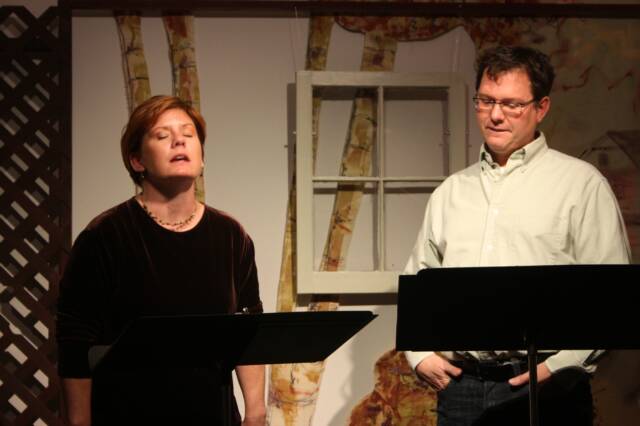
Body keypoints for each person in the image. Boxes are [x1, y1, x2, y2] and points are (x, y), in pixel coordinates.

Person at [404, 46, 631, 426]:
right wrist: (418, 354)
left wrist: (559, 366)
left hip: (547, 386)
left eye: (511, 104)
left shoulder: (580, 185)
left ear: (541, 108)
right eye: (486, 101)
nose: (495, 115)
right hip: (462, 388)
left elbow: (613, 294)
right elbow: (418, 281)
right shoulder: (451, 191)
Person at [56, 95, 266, 426]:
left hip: (212, 416)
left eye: (188, 133)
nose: (179, 140)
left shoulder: (230, 235)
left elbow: (248, 327)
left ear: (202, 156)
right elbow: (75, 340)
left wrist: (256, 411)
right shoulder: (105, 235)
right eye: (162, 135)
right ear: (137, 160)